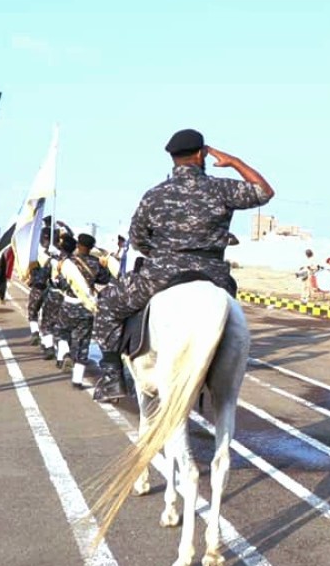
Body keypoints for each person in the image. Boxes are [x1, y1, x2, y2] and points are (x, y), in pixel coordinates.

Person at [91, 129, 274, 403]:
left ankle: (112, 375)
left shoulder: (155, 195)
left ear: (172, 158)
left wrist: (163, 254)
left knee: (107, 304)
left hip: (161, 274)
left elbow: (138, 238)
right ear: (202, 154)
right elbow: (264, 191)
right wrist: (234, 161)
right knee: (229, 308)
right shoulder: (221, 188)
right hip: (214, 275)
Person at [56, 233, 112, 388]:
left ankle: (65, 354)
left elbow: (61, 284)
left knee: (61, 331)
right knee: (83, 343)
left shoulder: (68, 263)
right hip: (87, 307)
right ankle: (77, 380)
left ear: (78, 245)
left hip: (68, 305)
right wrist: (104, 265)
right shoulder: (95, 263)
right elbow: (105, 279)